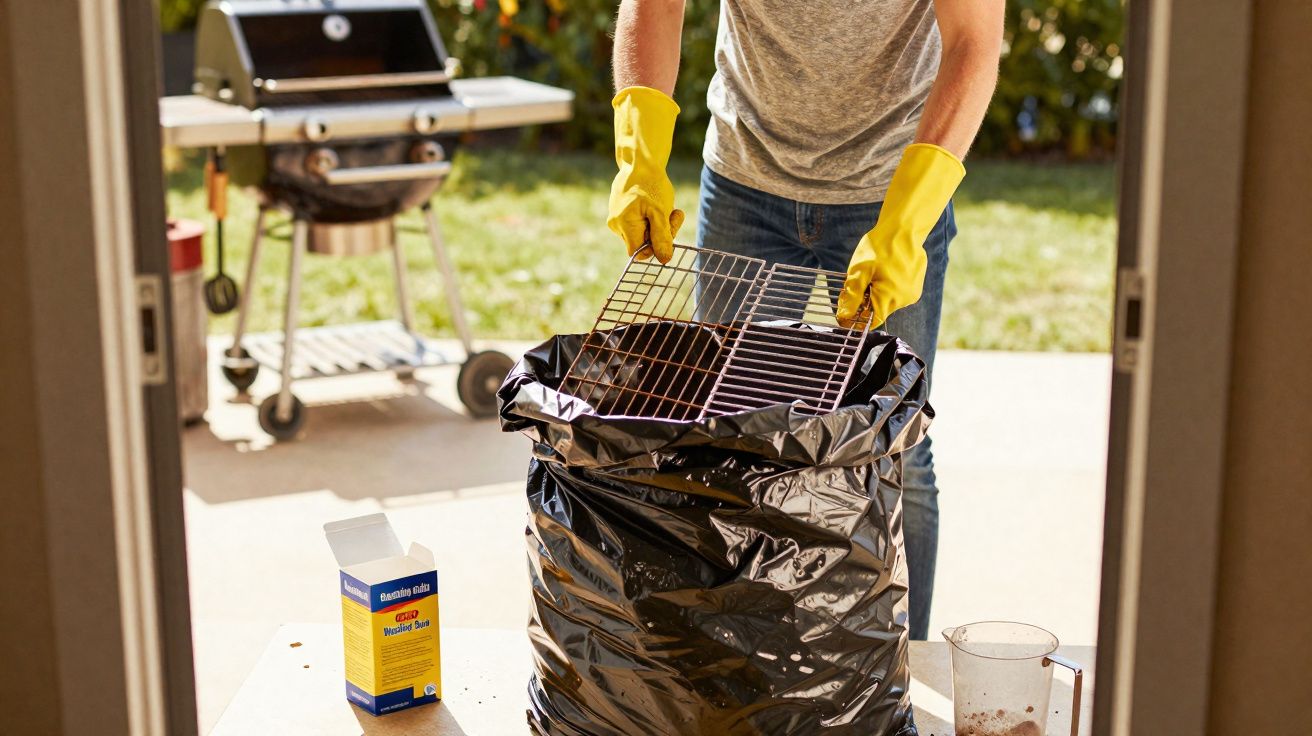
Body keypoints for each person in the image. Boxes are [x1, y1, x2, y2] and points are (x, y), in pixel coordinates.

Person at [606, 0, 1003, 640]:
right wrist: (639, 156)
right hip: (744, 178)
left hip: (891, 187)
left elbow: (974, 43)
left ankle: (900, 656)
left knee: (894, 444)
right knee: (731, 432)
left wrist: (905, 220)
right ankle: (746, 659)